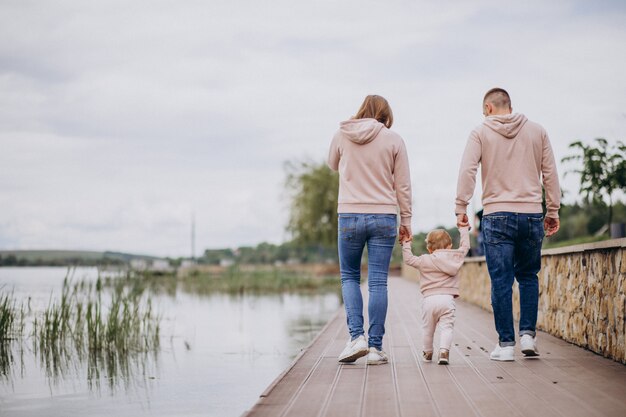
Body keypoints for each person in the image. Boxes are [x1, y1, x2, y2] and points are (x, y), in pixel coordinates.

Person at [455, 87, 561, 361]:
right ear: (509, 105)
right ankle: (528, 336)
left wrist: (461, 206)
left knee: (500, 281)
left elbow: (468, 169)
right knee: (528, 277)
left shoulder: (480, 132)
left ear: (489, 108)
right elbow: (549, 172)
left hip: (496, 215)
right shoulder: (538, 131)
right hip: (530, 215)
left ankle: (505, 345)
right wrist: (553, 210)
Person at [328, 95, 412, 365]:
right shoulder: (394, 139)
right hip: (384, 216)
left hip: (350, 214)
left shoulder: (342, 134)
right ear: (386, 115)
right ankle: (375, 348)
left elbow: (332, 164)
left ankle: (356, 339)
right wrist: (406, 220)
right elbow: (403, 185)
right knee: (377, 281)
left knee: (350, 277)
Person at [401, 226, 470, 365]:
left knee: (428, 329)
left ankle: (428, 352)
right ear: (450, 246)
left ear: (429, 248)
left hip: (429, 301)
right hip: (447, 299)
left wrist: (406, 243)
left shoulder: (424, 260)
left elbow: (408, 259)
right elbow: (465, 246)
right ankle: (444, 352)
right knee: (447, 327)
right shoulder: (455, 257)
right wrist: (463, 230)